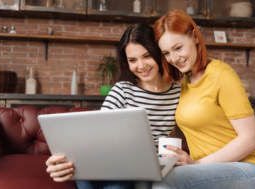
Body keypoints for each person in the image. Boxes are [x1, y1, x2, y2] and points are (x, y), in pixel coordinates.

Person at [45, 23, 181, 189]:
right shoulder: (122, 90)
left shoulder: (178, 93)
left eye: (147, 56)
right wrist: (62, 160)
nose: (141, 65)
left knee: (126, 183)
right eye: (132, 60)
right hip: (110, 161)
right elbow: (97, 135)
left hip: (147, 167)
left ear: (159, 54)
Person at [152, 9, 255, 189]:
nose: (174, 58)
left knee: (166, 180)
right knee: (153, 177)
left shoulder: (221, 74)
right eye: (167, 53)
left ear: (194, 36)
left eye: (178, 48)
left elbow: (251, 138)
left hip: (248, 171)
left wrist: (197, 164)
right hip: (210, 172)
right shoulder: (185, 83)